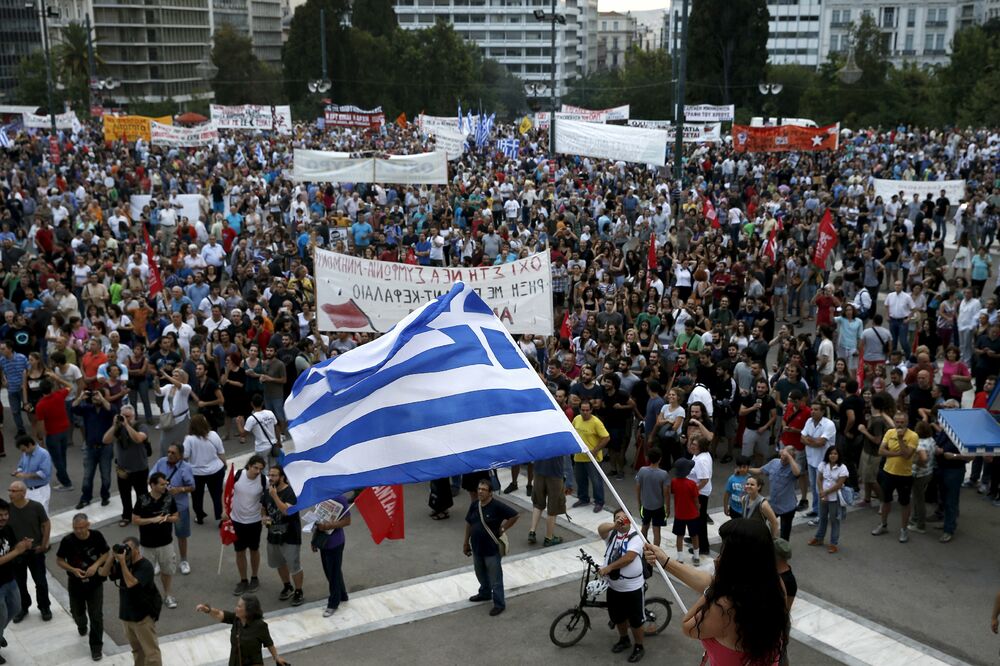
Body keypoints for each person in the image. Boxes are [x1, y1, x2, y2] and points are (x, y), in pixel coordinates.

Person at [644, 519, 788, 666]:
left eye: (724, 550)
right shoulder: (773, 585)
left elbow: (687, 626)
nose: (718, 557)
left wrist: (716, 585)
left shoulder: (724, 607)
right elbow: (705, 580)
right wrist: (665, 562)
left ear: (738, 560)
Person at [97, 535, 162, 666]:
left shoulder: (145, 566)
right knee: (137, 650)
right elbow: (103, 573)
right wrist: (112, 556)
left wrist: (121, 563)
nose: (126, 552)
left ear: (137, 550)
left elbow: (131, 583)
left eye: (129, 549)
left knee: (151, 653)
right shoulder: (125, 563)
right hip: (127, 616)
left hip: (142, 617)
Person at [55, 513, 110, 661]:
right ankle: (81, 624)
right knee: (77, 612)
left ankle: (96, 647)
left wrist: (95, 566)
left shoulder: (97, 536)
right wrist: (72, 569)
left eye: (81, 528)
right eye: (75, 528)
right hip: (75, 583)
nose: (78, 531)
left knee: (96, 616)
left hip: (95, 582)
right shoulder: (67, 540)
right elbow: (59, 560)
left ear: (88, 525)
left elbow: (106, 553)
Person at [464, 478, 519, 616]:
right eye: (479, 489)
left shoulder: (497, 506)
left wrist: (503, 528)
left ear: (490, 493)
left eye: (484, 490)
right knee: (480, 573)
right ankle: (484, 593)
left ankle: (499, 603)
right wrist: (466, 542)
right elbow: (469, 523)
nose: (480, 492)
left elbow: (515, 515)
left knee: (495, 579)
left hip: (491, 550)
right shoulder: (474, 505)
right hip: (476, 548)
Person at [597, 509, 646, 663]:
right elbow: (600, 530)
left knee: (635, 621)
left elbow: (629, 558)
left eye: (624, 518)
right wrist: (614, 526)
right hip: (614, 586)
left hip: (632, 588)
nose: (621, 520)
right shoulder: (612, 534)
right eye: (617, 518)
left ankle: (639, 646)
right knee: (617, 617)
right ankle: (624, 639)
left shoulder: (636, 536)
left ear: (630, 520)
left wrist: (609, 568)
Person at [195, 595, 290, 666]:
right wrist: (208, 610)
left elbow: (269, 643)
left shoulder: (260, 626)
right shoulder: (236, 619)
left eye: (239, 606)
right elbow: (219, 614)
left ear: (248, 610)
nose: (236, 608)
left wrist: (276, 657)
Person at [133, 472, 180, 610]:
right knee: (145, 573)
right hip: (147, 545)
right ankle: (147, 597)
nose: (165, 486)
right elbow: (135, 519)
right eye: (162, 484)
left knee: (167, 571)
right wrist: (151, 520)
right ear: (152, 485)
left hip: (166, 543)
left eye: (165, 484)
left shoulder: (169, 498)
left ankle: (168, 595)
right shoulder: (142, 499)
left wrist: (167, 518)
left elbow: (176, 516)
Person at [7, 480, 50, 623]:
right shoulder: (7, 510)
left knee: (41, 582)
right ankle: (23, 607)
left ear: (23, 493)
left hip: (35, 552)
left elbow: (46, 523)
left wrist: (44, 544)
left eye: (14, 491)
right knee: (20, 583)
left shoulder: (36, 507)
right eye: (10, 490)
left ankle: (44, 606)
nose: (10, 494)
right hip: (17, 554)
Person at [262, 465, 304, 607]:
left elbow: (286, 511)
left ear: (282, 477)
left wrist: (274, 496)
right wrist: (264, 517)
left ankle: (299, 591)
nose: (271, 478)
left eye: (274, 476)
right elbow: (264, 508)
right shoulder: (268, 491)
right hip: (273, 535)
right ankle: (287, 586)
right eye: (270, 475)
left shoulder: (289, 493)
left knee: (294, 566)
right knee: (279, 563)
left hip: (290, 536)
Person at [149, 444, 195, 575]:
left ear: (180, 455)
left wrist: (180, 489)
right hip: (161, 506)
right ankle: (159, 562)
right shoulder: (160, 462)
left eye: (173, 453)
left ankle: (184, 561)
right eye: (168, 451)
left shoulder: (186, 468)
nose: (169, 454)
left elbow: (192, 486)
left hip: (180, 506)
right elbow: (151, 478)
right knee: (160, 534)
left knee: (181, 535)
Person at [872, 412, 918, 543]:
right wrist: (897, 453)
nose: (899, 425)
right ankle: (884, 525)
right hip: (888, 473)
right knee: (886, 501)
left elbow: (907, 455)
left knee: (904, 503)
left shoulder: (913, 436)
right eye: (897, 422)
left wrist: (900, 439)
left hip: (905, 475)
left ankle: (904, 530)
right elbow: (881, 451)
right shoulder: (889, 432)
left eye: (902, 422)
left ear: (907, 422)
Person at [226, 455, 267, 596]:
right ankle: (243, 580)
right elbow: (225, 492)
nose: (257, 471)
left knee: (254, 550)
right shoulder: (237, 475)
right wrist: (223, 510)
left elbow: (268, 497)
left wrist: (265, 513)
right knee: (239, 551)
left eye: (260, 469)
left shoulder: (263, 480)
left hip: (254, 521)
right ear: (249, 466)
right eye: (255, 467)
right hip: (237, 521)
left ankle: (254, 577)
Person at [105, 405, 150, 528]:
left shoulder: (141, 426)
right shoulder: (118, 428)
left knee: (142, 494)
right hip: (123, 468)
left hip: (140, 468)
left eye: (127, 416)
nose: (125, 418)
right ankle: (126, 515)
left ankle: (144, 514)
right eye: (123, 416)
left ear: (133, 416)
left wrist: (127, 425)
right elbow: (106, 440)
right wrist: (115, 425)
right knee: (124, 494)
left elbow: (138, 439)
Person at [72, 387, 116, 510]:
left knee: (106, 475)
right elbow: (74, 408)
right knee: (87, 476)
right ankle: (85, 498)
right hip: (90, 447)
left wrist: (102, 398)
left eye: (97, 396)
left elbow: (112, 410)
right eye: (94, 397)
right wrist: (80, 397)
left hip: (105, 448)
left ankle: (105, 496)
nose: (95, 398)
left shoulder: (107, 409)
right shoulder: (87, 409)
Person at [0, 498, 32, 662]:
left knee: (15, 608)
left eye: (6, 514)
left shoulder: (7, 529)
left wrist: (23, 545)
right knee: (1, 615)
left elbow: (13, 549)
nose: (3, 518)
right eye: (0, 515)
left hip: (9, 579)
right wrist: (16, 552)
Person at [310, 493, 351, 618]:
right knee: (333, 570)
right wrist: (314, 540)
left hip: (335, 542)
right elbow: (318, 521)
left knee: (332, 573)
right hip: (323, 541)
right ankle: (342, 594)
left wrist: (329, 525)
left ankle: (333, 603)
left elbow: (347, 521)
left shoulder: (340, 498)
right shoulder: (320, 497)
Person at [182, 414, 227, 525]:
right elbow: (221, 452)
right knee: (217, 495)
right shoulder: (214, 435)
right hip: (216, 469)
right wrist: (224, 464)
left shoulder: (189, 439)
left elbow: (185, 455)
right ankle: (221, 517)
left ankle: (200, 515)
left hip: (196, 472)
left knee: (197, 496)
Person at [750, 446, 802, 540]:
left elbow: (797, 473)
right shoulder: (774, 462)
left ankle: (782, 552)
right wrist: (747, 470)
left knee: (784, 535)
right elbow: (760, 470)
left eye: (785, 457)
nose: (782, 458)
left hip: (787, 507)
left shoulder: (794, 466)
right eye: (782, 455)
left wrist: (789, 457)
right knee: (762, 524)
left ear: (792, 458)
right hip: (773, 505)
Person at [34, 377, 73, 492]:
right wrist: (57, 378)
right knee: (62, 456)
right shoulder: (59, 395)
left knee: (57, 459)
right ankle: (62, 477)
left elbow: (40, 424)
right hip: (64, 430)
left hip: (52, 434)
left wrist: (40, 438)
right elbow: (69, 386)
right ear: (51, 388)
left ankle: (66, 483)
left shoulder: (40, 405)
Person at [571, 400, 610, 512]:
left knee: (596, 481)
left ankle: (599, 502)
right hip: (579, 456)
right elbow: (573, 432)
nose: (585, 412)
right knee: (580, 479)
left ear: (591, 410)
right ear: (579, 410)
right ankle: (583, 498)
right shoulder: (576, 419)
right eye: (583, 410)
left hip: (593, 458)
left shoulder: (596, 422)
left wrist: (596, 450)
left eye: (587, 410)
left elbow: (606, 437)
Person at [808, 447, 849, 553]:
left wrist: (826, 493)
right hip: (823, 497)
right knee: (822, 518)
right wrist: (822, 492)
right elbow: (819, 478)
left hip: (835, 499)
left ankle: (833, 543)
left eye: (835, 453)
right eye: (831, 453)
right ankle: (819, 538)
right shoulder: (823, 465)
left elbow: (839, 484)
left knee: (834, 520)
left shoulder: (842, 468)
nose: (833, 455)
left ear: (839, 455)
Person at [800, 401, 835, 520]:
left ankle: (822, 515)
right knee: (814, 488)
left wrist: (809, 440)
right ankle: (815, 510)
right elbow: (802, 438)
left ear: (823, 411)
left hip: (823, 462)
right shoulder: (809, 421)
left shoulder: (829, 424)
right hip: (811, 460)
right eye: (812, 409)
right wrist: (813, 440)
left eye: (816, 409)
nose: (812, 412)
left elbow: (821, 443)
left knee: (821, 489)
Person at [527, 452, 567, 547]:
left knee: (538, 503)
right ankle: (549, 537)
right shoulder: (560, 439)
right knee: (553, 507)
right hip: (555, 474)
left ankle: (532, 531)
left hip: (538, 472)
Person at [236, 394, 281, 471]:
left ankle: (267, 482)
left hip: (261, 448)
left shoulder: (251, 419)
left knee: (264, 470)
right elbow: (276, 427)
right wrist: (278, 440)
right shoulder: (270, 413)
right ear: (262, 403)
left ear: (252, 404)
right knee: (273, 468)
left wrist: (238, 423)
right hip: (273, 445)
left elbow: (243, 434)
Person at [667, 458, 700, 565]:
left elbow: (672, 492)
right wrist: (698, 508)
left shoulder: (674, 482)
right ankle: (696, 556)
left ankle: (680, 558)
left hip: (679, 514)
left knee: (679, 536)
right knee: (694, 535)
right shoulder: (692, 484)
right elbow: (696, 500)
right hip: (692, 515)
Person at [635, 447, 670, 546]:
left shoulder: (642, 471)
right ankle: (656, 552)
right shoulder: (664, 474)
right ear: (660, 459)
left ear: (648, 458)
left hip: (646, 505)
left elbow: (637, 488)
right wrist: (668, 507)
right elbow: (666, 493)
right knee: (657, 531)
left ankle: (642, 547)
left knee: (644, 527)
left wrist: (639, 503)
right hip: (658, 507)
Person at [13, 435, 52, 513]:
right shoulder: (25, 453)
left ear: (30, 445)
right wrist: (18, 471)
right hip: (28, 490)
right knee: (29, 514)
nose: (23, 452)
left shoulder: (44, 454)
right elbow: (21, 465)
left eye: (24, 449)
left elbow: (43, 474)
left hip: (40, 490)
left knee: (41, 515)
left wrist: (25, 475)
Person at [0, 341, 29, 436]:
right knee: (15, 411)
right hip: (11, 389)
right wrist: (3, 380)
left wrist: (25, 382)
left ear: (10, 349)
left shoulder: (22, 357)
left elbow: (29, 369)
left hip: (23, 388)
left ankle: (35, 423)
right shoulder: (2, 360)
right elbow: (1, 371)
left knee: (29, 408)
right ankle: (21, 430)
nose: (1, 351)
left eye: (3, 349)